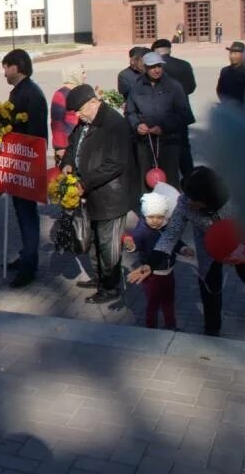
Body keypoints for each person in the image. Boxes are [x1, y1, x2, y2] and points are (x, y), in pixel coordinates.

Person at [136, 167, 245, 337]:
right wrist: (151, 263)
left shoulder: (233, 199)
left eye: (193, 198)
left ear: (207, 198)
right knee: (210, 287)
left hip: (242, 243)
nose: (188, 201)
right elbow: (171, 234)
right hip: (208, 248)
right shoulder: (184, 203)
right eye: (186, 195)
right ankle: (212, 330)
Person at [61, 84, 140, 304]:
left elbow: (115, 163)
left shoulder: (114, 124)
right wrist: (67, 163)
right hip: (90, 195)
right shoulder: (86, 122)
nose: (77, 116)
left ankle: (111, 287)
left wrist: (84, 183)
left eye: (79, 111)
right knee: (93, 241)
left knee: (109, 246)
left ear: (93, 103)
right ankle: (99, 279)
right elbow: (72, 147)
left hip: (111, 197)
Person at [2, 49, 49, 288]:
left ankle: (30, 265)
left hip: (26, 166)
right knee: (22, 215)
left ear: (16, 66)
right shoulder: (21, 91)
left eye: (6, 67)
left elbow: (36, 134)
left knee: (27, 216)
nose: (4, 73)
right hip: (19, 163)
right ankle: (26, 255)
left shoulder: (30, 93)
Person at [126, 52, 194, 192]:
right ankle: (148, 211)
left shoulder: (174, 86)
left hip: (169, 141)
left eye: (159, 66)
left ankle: (173, 211)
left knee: (170, 181)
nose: (157, 70)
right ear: (145, 67)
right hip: (145, 141)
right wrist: (137, 125)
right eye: (152, 67)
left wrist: (164, 128)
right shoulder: (136, 87)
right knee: (145, 181)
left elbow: (185, 114)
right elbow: (130, 112)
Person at [124, 191, 184, 329]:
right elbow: (136, 244)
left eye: (159, 217)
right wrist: (131, 246)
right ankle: (151, 328)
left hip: (168, 272)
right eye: (151, 217)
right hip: (151, 275)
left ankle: (171, 325)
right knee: (153, 303)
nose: (155, 221)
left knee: (169, 301)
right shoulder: (142, 230)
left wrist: (183, 249)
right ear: (145, 215)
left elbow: (175, 241)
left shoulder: (167, 227)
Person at [152, 38, 196, 179]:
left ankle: (169, 178)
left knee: (164, 148)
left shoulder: (154, 68)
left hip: (162, 114)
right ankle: (189, 177)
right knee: (184, 147)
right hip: (181, 112)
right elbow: (191, 87)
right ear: (169, 50)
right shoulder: (184, 65)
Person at [51, 65, 85, 161]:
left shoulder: (78, 91)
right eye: (82, 73)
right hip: (66, 145)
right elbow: (57, 123)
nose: (85, 76)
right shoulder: (60, 94)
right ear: (73, 75)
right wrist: (60, 147)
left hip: (78, 142)